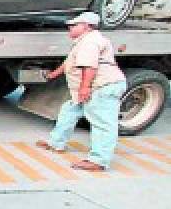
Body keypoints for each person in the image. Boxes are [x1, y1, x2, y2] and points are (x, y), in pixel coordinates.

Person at [35, 11, 127, 171]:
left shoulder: (90, 42)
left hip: (101, 87)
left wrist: (85, 88)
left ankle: (99, 161)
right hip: (95, 86)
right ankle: (56, 143)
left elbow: (89, 66)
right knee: (68, 111)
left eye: (74, 25)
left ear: (86, 26)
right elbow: (69, 63)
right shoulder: (83, 41)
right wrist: (52, 75)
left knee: (102, 122)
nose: (69, 27)